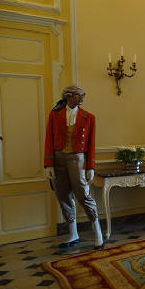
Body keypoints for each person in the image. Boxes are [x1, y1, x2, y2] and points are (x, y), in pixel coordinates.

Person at [44, 86, 104, 249]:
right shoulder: (54, 115)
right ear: (69, 96)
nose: (83, 97)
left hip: (78, 159)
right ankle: (73, 233)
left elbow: (91, 144)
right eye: (79, 95)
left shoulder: (89, 117)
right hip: (58, 159)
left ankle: (97, 232)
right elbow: (49, 139)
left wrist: (90, 166)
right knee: (62, 195)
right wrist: (48, 164)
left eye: (84, 94)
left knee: (83, 195)